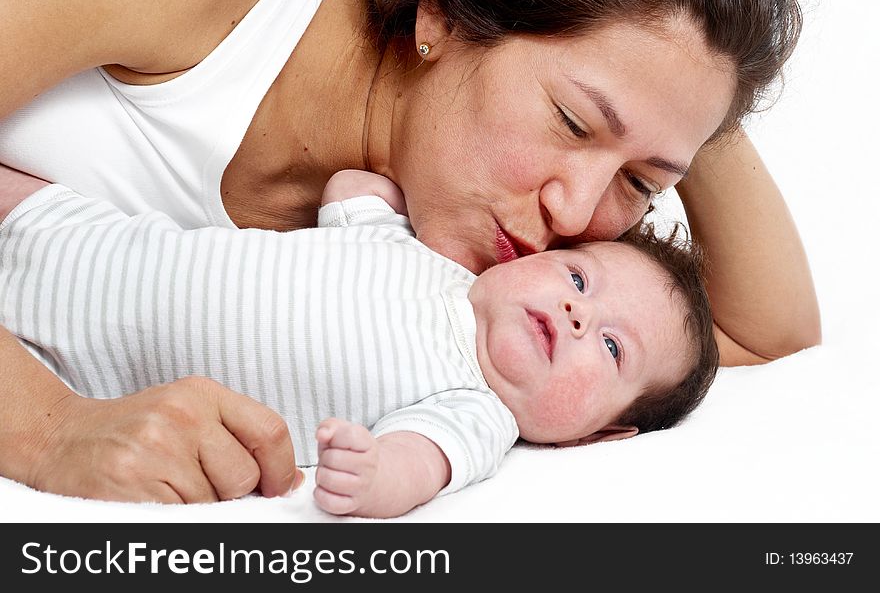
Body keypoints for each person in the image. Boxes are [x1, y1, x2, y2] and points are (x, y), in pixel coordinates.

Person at [0, 0, 819, 503]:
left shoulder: (450, 269)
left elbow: (764, 329)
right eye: (572, 122)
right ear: (444, 16)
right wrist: (49, 432)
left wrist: (687, 68)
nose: (574, 210)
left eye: (640, 181)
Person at [0, 169, 718, 517]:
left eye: (614, 350)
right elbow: (350, 193)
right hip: (81, 235)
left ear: (600, 433)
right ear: (525, 256)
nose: (575, 314)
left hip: (71, 367)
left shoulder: (478, 410)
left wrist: (372, 477)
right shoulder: (428, 258)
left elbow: (418, 462)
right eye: (578, 276)